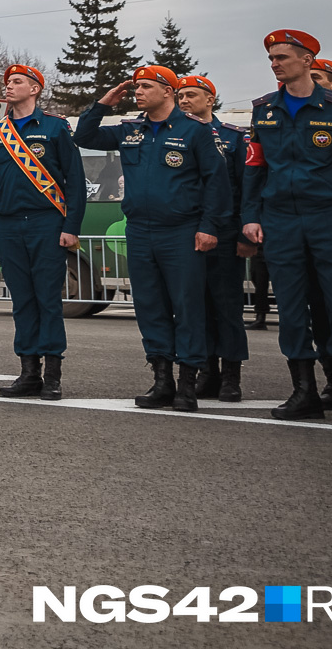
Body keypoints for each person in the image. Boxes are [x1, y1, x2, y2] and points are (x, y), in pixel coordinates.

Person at [77, 65, 230, 411]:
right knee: (150, 305)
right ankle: (162, 380)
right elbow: (84, 136)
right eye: (136, 87)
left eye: (146, 86)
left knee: (187, 306)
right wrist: (104, 103)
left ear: (168, 91)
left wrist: (209, 227)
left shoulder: (196, 131)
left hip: (182, 231)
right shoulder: (131, 130)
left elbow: (217, 183)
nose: (137, 92)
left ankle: (188, 384)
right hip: (141, 231)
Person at [243, 30, 332, 426]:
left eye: (282, 57)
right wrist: (250, 215)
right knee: (292, 308)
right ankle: (304, 392)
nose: (275, 64)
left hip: (330, 219)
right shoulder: (264, 109)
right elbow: (255, 167)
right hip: (280, 221)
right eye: (271, 58)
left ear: (307, 60)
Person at [0, 64, 86, 401]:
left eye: (17, 82)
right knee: (22, 301)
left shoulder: (56, 128)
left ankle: (52, 373)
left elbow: (75, 182)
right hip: (8, 225)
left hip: (46, 223)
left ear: (35, 88)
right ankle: (29, 372)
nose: (9, 87)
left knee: (47, 300)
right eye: (8, 82)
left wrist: (71, 226)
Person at [177, 75, 249, 401]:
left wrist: (248, 232)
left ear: (210, 99)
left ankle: (232, 375)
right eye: (179, 96)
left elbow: (246, 187)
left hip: (226, 231)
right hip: (187, 231)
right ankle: (208, 372)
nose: (183, 101)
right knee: (196, 306)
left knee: (227, 305)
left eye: (191, 95)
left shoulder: (232, 137)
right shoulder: (175, 134)